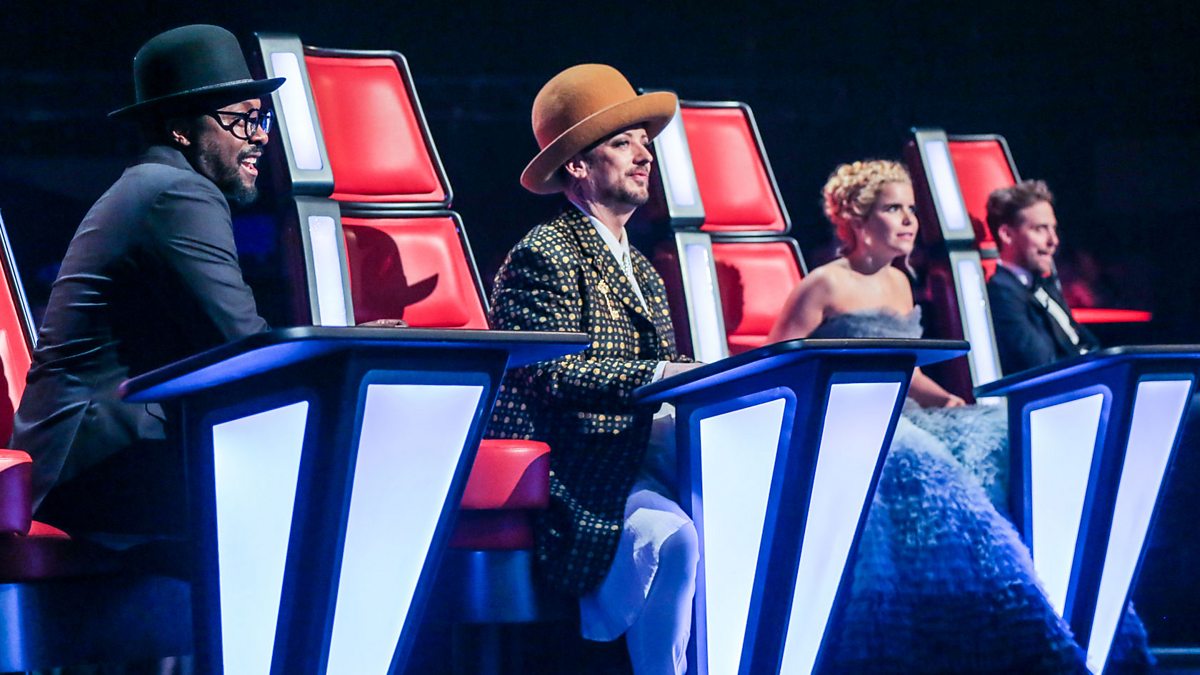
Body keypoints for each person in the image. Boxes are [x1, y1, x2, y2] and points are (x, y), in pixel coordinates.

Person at [768, 160, 1093, 671]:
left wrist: (944, 399)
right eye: (892, 208)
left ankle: (986, 607)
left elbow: (904, 368)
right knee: (918, 459)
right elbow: (776, 366)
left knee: (995, 431)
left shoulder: (901, 282)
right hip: (842, 421)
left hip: (902, 413)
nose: (908, 220)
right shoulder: (823, 285)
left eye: (912, 209)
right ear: (856, 219)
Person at [11, 25, 282, 541]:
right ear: (181, 130)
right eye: (242, 120)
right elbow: (240, 342)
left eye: (261, 118)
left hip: (99, 456)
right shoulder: (177, 194)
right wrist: (346, 352)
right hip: (95, 467)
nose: (261, 135)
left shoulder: (153, 186)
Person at [486, 64, 702, 675]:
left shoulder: (646, 269)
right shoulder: (545, 252)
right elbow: (550, 372)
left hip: (642, 454)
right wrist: (664, 374)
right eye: (623, 142)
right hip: (580, 469)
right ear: (578, 166)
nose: (644, 155)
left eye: (644, 142)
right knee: (673, 538)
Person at [985, 179, 1101, 375]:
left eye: (1053, 229)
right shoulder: (1001, 293)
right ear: (1007, 235)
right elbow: (1040, 365)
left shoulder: (1045, 286)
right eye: (1040, 229)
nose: (1053, 241)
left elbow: (1087, 343)